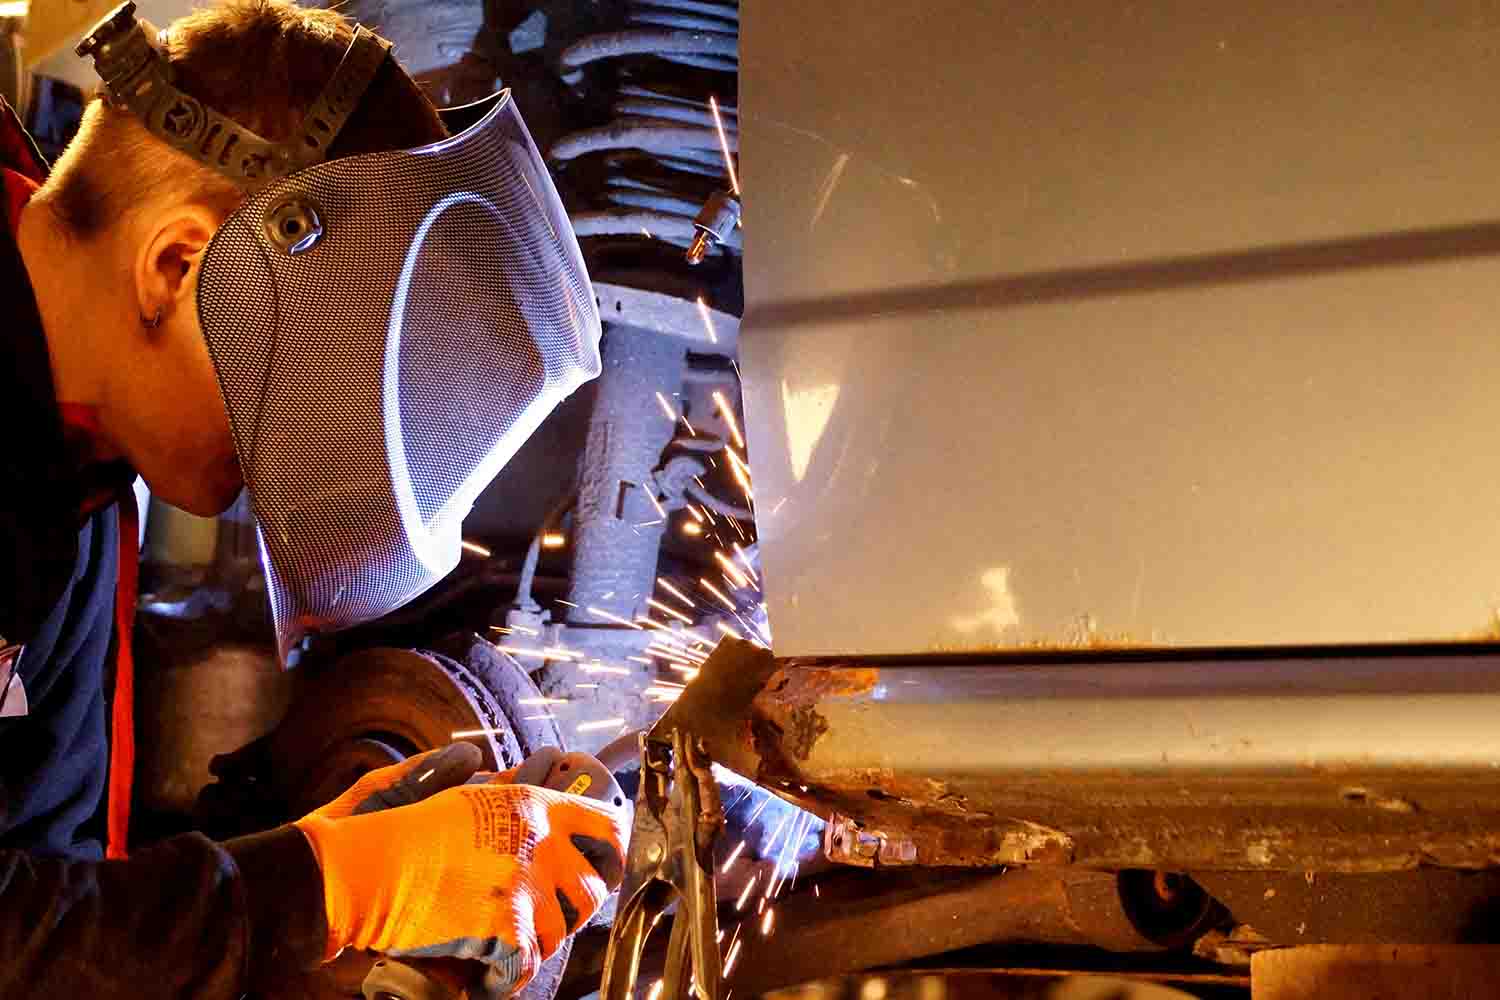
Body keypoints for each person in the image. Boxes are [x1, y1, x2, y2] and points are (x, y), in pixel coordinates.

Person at [0, 1, 621, 996]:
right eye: (296, 382)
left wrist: (306, 865)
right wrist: (322, 889)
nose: (293, 449)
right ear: (176, 267)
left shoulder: (83, 478)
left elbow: (52, 893)